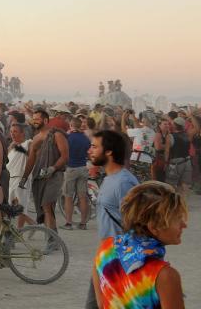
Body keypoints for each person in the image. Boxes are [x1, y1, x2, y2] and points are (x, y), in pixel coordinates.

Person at [92, 181, 186, 309]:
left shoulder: (105, 248)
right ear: (154, 227)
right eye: (178, 219)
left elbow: (101, 303)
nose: (184, 225)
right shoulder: (165, 276)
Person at [84, 128, 140, 308]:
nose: (89, 150)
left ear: (108, 151)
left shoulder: (124, 182)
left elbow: (137, 224)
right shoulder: (110, 179)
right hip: (107, 256)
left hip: (120, 260)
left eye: (94, 147)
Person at [22, 109, 68, 235]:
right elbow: (31, 159)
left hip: (55, 175)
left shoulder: (57, 135)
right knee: (44, 208)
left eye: (37, 119)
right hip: (39, 177)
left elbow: (64, 156)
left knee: (47, 205)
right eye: (33, 119)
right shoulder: (36, 138)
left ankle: (51, 239)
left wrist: (53, 168)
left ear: (46, 120)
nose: (34, 121)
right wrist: (24, 177)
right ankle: (53, 235)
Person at [62, 116, 92, 230]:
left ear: (71, 126)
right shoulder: (85, 138)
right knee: (82, 197)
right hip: (83, 168)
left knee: (68, 197)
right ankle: (83, 223)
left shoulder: (68, 137)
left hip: (71, 168)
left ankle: (68, 223)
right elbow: (88, 152)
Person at [5, 123, 34, 228]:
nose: (12, 134)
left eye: (15, 131)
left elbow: (32, 154)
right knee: (11, 207)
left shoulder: (28, 143)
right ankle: (33, 224)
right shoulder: (12, 146)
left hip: (21, 179)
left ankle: (19, 231)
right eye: (11, 131)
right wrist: (11, 146)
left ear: (22, 133)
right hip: (10, 180)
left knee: (20, 207)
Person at [165, 118, 191, 195]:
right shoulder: (188, 135)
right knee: (184, 184)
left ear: (174, 126)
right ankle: (183, 202)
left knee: (171, 184)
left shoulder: (170, 136)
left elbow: (167, 151)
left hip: (176, 162)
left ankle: (173, 203)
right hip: (187, 161)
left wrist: (166, 163)